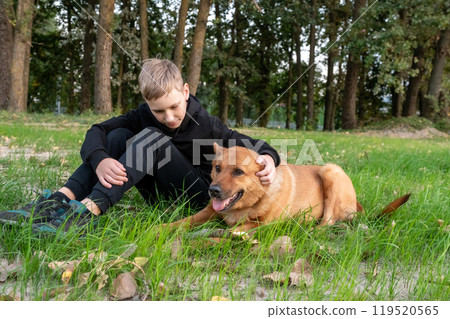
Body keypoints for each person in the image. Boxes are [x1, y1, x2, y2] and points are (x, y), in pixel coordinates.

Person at [0, 58, 280, 234]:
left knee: (152, 139)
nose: (168, 117)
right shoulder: (144, 115)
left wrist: (268, 158)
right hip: (158, 195)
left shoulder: (206, 123)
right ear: (147, 103)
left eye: (174, 107)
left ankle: (88, 212)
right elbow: (97, 130)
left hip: (198, 197)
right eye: (159, 111)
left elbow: (256, 145)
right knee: (116, 135)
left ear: (185, 92)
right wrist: (100, 159)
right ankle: (57, 201)